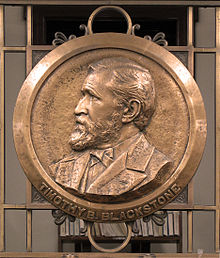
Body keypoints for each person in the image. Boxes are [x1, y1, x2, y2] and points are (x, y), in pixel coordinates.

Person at [49, 57, 172, 197]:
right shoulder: (62, 168)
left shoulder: (155, 165)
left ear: (130, 110)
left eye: (93, 97)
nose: (78, 109)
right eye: (83, 96)